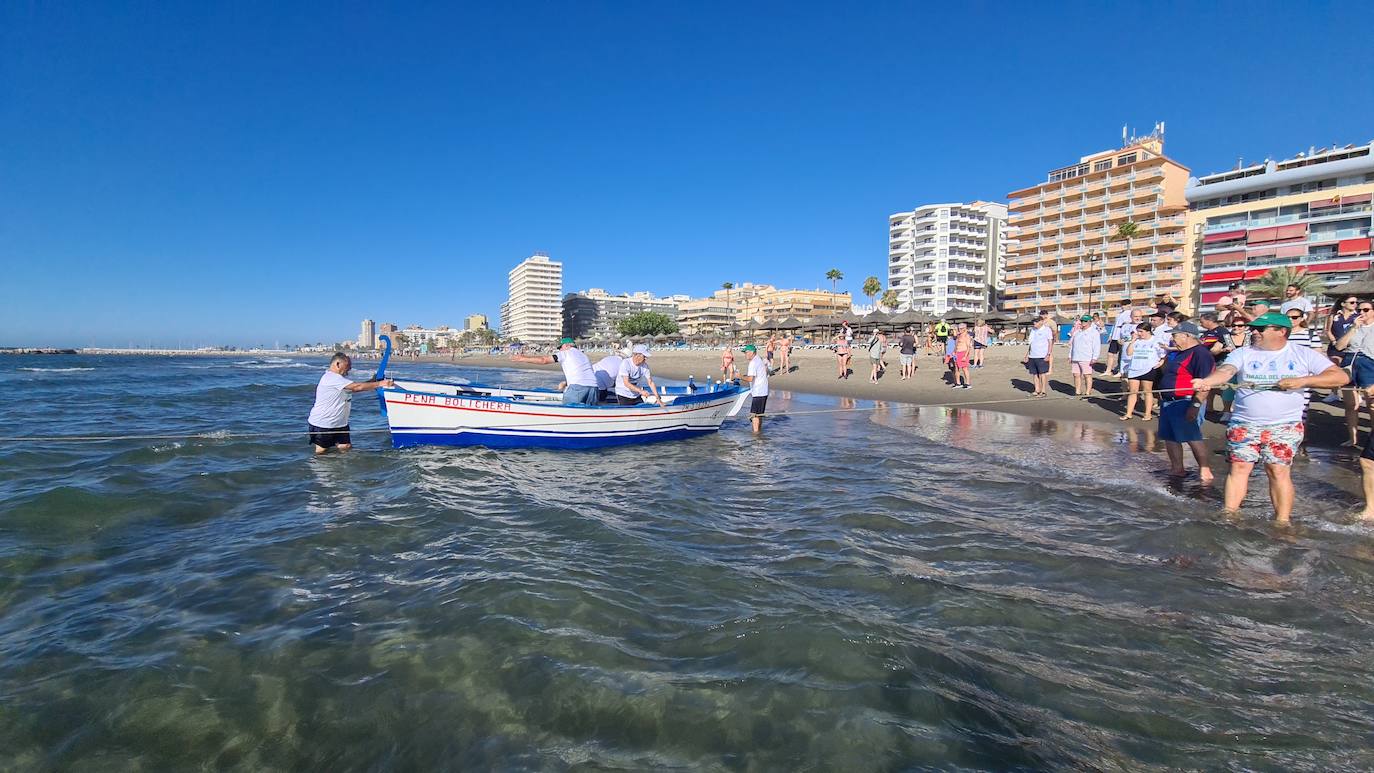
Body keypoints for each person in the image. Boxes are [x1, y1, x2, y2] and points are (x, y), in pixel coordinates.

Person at [1191, 312, 1351, 524]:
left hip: (1284, 425)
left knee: (1277, 471)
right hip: (1244, 423)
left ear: (1281, 331)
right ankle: (1229, 516)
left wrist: (1302, 381)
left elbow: (1340, 376)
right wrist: (1208, 381)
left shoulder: (1302, 354)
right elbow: (1226, 371)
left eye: (1260, 329)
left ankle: (1282, 522)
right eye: (1253, 328)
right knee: (1239, 468)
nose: (1254, 332)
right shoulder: (1244, 353)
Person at [1155, 322, 1216, 482]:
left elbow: (1206, 383)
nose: (1172, 339)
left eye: (1175, 335)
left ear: (1187, 336)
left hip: (1186, 401)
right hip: (1169, 401)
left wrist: (1195, 405)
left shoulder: (1200, 354)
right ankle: (1177, 469)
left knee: (1192, 436)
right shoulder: (1181, 353)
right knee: (1170, 437)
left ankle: (1205, 470)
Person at [307, 352, 394, 455]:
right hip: (323, 423)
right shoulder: (332, 378)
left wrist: (373, 381)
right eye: (348, 365)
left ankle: (341, 468)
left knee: (346, 447)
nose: (350, 369)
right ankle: (320, 470)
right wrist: (380, 384)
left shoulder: (340, 380)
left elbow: (353, 387)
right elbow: (356, 387)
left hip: (340, 423)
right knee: (322, 452)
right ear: (338, 364)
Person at [511, 337, 600, 405]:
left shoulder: (566, 353)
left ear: (567, 345)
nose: (559, 350)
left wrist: (522, 359)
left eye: (560, 347)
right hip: (594, 388)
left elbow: (544, 360)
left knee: (567, 412)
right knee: (586, 414)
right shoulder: (583, 356)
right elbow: (582, 373)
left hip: (578, 388)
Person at [1335, 300, 1374, 447]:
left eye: (1366, 310)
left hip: (1369, 363)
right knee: (1351, 404)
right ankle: (1353, 439)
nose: (1362, 313)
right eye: (1359, 310)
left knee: (1371, 403)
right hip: (1350, 362)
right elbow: (1339, 346)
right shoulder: (1353, 327)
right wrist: (1353, 329)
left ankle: (1371, 441)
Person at [1121, 322, 1164, 421]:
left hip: (1148, 369)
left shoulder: (1156, 340)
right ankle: (1128, 413)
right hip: (1134, 368)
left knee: (1147, 391)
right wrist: (1132, 341)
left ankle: (1147, 414)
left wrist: (1161, 362)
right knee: (1132, 392)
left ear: (1148, 331)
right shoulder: (1136, 341)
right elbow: (1129, 353)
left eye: (1141, 331)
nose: (1139, 334)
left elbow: (1163, 353)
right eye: (1138, 331)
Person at [1068, 315, 1101, 398]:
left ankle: (1088, 392)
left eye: (1085, 321)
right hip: (1076, 356)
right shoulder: (1077, 332)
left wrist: (1094, 357)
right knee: (1076, 374)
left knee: (1087, 375)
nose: (1083, 322)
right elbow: (1072, 344)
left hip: (1086, 357)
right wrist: (1070, 355)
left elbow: (1097, 346)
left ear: (1090, 322)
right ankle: (1077, 391)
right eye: (1082, 320)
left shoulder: (1094, 332)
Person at [740, 343, 770, 433]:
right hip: (764, 391)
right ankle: (759, 434)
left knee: (754, 415)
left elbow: (750, 379)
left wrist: (740, 376)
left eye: (746, 352)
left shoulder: (753, 363)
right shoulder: (759, 359)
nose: (745, 354)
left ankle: (755, 435)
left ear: (751, 352)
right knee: (759, 415)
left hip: (758, 392)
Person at [1022, 315, 1054, 397]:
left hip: (1042, 355)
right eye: (1034, 322)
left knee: (1042, 374)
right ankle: (1037, 389)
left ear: (1041, 322)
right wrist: (1027, 355)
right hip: (1032, 355)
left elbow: (1050, 343)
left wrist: (1048, 354)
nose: (1034, 323)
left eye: (1036, 322)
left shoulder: (1047, 330)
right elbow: (1031, 343)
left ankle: (1043, 391)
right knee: (1034, 374)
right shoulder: (1033, 330)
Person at [1111, 307, 1143, 377]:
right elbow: (1122, 338)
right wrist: (1120, 341)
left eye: (1139, 316)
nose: (1138, 318)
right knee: (1124, 376)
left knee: (1135, 377)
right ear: (1131, 317)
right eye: (1135, 316)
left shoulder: (1144, 326)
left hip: (1137, 356)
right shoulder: (1125, 326)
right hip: (1125, 355)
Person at [952, 323, 973, 389]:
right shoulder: (959, 335)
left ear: (964, 329)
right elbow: (956, 344)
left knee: (964, 369)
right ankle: (958, 383)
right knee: (956, 368)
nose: (959, 330)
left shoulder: (967, 336)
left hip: (963, 353)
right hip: (957, 353)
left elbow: (968, 347)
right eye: (959, 328)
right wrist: (954, 351)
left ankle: (968, 383)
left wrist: (965, 356)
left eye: (961, 329)